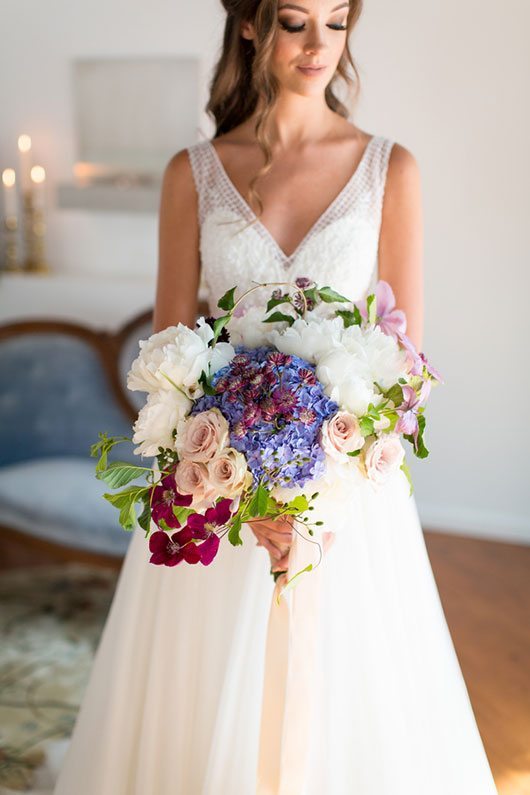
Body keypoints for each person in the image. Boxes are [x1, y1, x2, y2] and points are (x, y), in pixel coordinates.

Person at [54, 0, 500, 792]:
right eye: (297, 21)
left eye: (337, 21)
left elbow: (402, 368)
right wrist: (236, 487)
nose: (320, 45)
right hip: (218, 492)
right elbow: (171, 357)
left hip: (346, 498)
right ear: (253, 25)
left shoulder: (389, 169)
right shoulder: (191, 172)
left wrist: (314, 491)